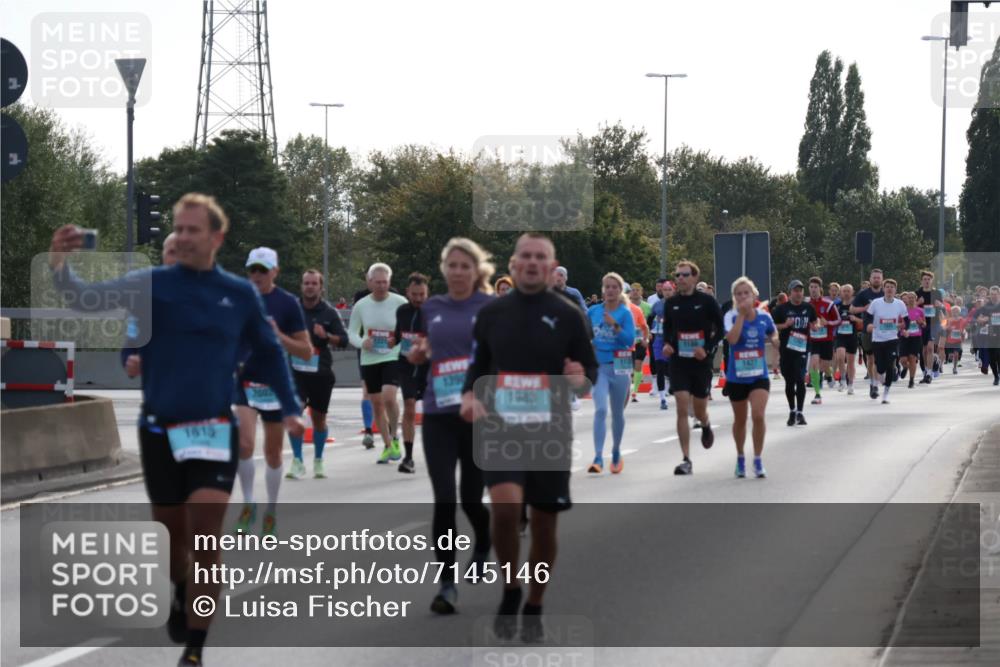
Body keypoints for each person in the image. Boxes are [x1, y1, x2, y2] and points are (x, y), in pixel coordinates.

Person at [49, 195, 304, 667]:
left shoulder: (238, 293)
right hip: (160, 430)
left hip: (212, 429)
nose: (184, 237)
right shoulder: (151, 285)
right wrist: (62, 265)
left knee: (206, 529)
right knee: (172, 540)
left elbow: (268, 353)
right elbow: (87, 299)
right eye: (178, 230)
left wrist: (289, 408)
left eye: (193, 230)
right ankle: (181, 587)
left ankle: (194, 649)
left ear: (216, 238)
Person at [460, 233, 598, 642]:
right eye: (526, 257)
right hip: (501, 427)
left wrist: (579, 380)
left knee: (543, 524)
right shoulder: (492, 313)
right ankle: (510, 588)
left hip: (550, 430)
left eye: (541, 257)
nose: (533, 263)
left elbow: (587, 370)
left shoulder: (569, 315)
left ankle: (535, 602)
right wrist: (469, 394)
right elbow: (478, 363)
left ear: (552, 266)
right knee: (504, 511)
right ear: (514, 265)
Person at [407, 238, 495, 614]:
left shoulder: (491, 307)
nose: (458, 272)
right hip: (438, 411)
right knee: (444, 497)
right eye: (452, 265)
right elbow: (428, 347)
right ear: (444, 269)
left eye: (465, 266)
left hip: (476, 415)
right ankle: (447, 584)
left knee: (472, 498)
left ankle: (483, 542)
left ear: (477, 271)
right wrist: (420, 354)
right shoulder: (433, 307)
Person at [232, 248, 311, 538]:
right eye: (252, 270)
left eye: (262, 270)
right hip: (245, 382)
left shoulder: (287, 304)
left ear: (274, 272)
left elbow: (305, 350)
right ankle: (248, 503)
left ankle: (271, 510)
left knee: (273, 453)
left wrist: (278, 335)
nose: (256, 276)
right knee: (243, 444)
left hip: (275, 385)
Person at [661, 260, 724, 475]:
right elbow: (668, 329)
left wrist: (707, 348)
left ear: (694, 277)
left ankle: (705, 424)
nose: (680, 279)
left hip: (700, 362)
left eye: (685, 275)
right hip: (679, 362)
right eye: (677, 275)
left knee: (699, 409)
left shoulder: (706, 302)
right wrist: (668, 344)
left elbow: (721, 329)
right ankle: (686, 458)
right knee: (680, 406)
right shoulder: (671, 303)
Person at [286, 269, 349, 480]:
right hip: (295, 372)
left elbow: (344, 340)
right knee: (295, 414)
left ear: (321, 287)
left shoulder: (329, 313)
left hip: (321, 372)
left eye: (314, 283)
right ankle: (296, 461)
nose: (310, 286)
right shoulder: (292, 309)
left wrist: (327, 336)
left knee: (319, 419)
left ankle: (319, 460)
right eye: (306, 283)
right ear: (302, 286)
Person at [348, 263, 409, 463]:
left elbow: (411, 328)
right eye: (378, 282)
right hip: (370, 358)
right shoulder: (361, 305)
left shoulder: (400, 302)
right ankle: (387, 446)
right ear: (370, 282)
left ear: (389, 282)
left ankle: (395, 436)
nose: (382, 286)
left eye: (385, 282)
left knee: (389, 397)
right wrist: (361, 342)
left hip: (393, 356)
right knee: (376, 403)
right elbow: (352, 332)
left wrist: (398, 339)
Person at [723, 277, 778, 478]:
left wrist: (775, 340)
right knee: (740, 419)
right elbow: (732, 339)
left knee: (758, 415)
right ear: (734, 298)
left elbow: (773, 333)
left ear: (754, 295)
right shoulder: (730, 316)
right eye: (739, 294)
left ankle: (757, 458)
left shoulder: (764, 316)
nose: (743, 297)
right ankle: (740, 458)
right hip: (736, 376)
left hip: (759, 375)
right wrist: (741, 316)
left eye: (746, 293)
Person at [586, 273, 636, 474]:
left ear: (620, 290)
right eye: (607, 287)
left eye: (614, 287)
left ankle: (615, 451)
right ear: (602, 290)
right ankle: (598, 457)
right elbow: (584, 334)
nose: (610, 290)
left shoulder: (625, 313)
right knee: (600, 410)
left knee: (617, 412)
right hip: (599, 368)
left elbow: (630, 340)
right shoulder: (593, 311)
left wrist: (614, 325)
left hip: (620, 367)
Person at [122, 232, 178, 378]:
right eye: (172, 252)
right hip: (159, 391)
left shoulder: (212, 294)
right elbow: (130, 344)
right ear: (163, 255)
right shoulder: (147, 299)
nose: (177, 258)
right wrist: (130, 363)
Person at [394, 272, 431, 473]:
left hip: (429, 367)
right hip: (406, 365)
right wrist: (391, 341)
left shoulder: (433, 312)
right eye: (415, 294)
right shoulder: (401, 311)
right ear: (408, 292)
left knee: (435, 412)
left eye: (422, 295)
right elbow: (397, 335)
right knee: (409, 406)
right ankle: (408, 457)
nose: (418, 299)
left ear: (427, 293)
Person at [771, 280, 818, 426]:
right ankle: (792, 410)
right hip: (786, 349)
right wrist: (785, 325)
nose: (798, 293)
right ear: (790, 292)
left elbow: (814, 322)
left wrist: (815, 326)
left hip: (802, 348)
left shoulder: (808, 307)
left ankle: (800, 412)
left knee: (800, 379)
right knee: (790, 382)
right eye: (795, 290)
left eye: (800, 290)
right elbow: (772, 327)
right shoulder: (781, 309)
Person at [866, 278, 909, 404]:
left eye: (892, 287)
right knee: (880, 367)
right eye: (887, 287)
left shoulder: (900, 304)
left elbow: (906, 320)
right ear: (884, 289)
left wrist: (902, 327)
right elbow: (867, 317)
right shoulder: (876, 302)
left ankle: (885, 394)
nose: (889, 289)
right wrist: (868, 325)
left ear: (895, 290)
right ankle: (876, 380)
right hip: (877, 339)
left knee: (890, 366)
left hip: (892, 339)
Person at [851, 269, 885, 398]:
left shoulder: (885, 293)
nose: (876, 280)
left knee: (880, 359)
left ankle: (877, 379)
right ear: (870, 279)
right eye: (874, 277)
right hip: (867, 331)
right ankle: (873, 384)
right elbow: (852, 309)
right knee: (871, 359)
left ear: (882, 279)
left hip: (883, 331)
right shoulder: (863, 294)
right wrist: (863, 309)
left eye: (878, 278)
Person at [806, 277, 840, 404]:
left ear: (820, 289)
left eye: (815, 287)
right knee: (814, 364)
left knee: (825, 365)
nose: (813, 290)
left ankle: (829, 375)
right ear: (809, 289)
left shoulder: (828, 304)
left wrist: (828, 323)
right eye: (811, 287)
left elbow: (838, 320)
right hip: (813, 340)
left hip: (826, 339)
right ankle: (817, 394)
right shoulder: (806, 305)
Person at [915, 270, 944, 384]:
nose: (927, 281)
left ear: (932, 281)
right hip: (921, 323)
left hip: (934, 323)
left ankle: (929, 373)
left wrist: (940, 305)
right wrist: (918, 303)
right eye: (925, 279)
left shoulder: (937, 293)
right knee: (924, 350)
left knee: (930, 348)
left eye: (929, 279)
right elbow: (912, 309)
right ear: (921, 281)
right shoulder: (917, 293)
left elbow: (942, 307)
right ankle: (927, 369)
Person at [626, 282, 652, 403]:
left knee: (638, 365)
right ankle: (627, 388)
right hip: (627, 341)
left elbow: (651, 322)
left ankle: (634, 392)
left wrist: (648, 335)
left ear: (641, 292)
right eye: (633, 290)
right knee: (628, 368)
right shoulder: (625, 307)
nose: (635, 292)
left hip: (640, 340)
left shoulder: (647, 307)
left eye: (637, 290)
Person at [833, 283, 860, 394]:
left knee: (850, 362)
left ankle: (851, 384)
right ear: (841, 293)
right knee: (840, 357)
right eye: (844, 291)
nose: (846, 293)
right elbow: (831, 320)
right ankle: (843, 380)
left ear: (852, 292)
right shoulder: (836, 306)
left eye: (848, 291)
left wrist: (855, 319)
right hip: (840, 336)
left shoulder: (855, 306)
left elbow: (863, 321)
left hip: (852, 336)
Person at [974, 286, 1000, 384]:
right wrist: (985, 319)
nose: (993, 296)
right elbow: (978, 319)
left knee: (998, 354)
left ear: (999, 294)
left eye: (995, 294)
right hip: (989, 334)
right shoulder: (986, 307)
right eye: (992, 294)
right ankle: (996, 376)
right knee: (992, 357)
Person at [900, 291, 925, 389]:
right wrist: (903, 329)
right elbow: (899, 323)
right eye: (908, 297)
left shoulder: (920, 311)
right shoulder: (903, 311)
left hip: (916, 337)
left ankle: (911, 380)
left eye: (912, 298)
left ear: (915, 299)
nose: (910, 299)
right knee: (903, 360)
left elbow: (924, 325)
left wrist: (921, 322)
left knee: (912, 359)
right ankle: (905, 367)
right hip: (905, 336)